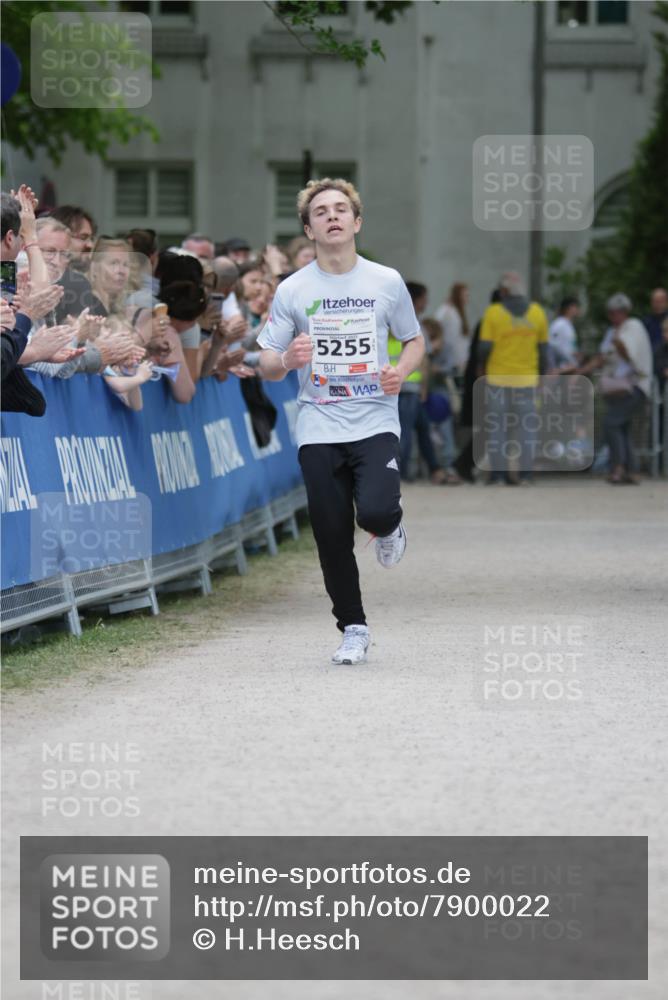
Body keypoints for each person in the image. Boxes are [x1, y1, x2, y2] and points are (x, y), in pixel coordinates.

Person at [257, 178, 424, 665]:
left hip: (374, 417)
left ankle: (390, 526)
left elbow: (413, 340)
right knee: (331, 533)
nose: (332, 216)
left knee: (372, 512)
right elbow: (265, 360)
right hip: (318, 423)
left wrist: (401, 372)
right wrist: (288, 358)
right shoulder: (294, 289)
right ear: (308, 228)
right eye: (321, 212)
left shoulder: (386, 281)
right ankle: (353, 627)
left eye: (340, 209)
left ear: (357, 221)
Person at [478, 271, 549, 485]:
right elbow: (544, 351)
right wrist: (541, 376)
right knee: (527, 430)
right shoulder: (538, 313)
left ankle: (499, 476)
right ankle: (525, 476)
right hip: (528, 381)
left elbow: (484, 348)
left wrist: (481, 367)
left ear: (504, 291)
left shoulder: (493, 313)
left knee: (497, 429)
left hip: (497, 380)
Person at [579, 293, 653, 484]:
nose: (614, 316)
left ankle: (619, 467)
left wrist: (619, 342)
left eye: (617, 312)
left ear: (625, 312)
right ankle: (631, 470)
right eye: (611, 313)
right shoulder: (612, 331)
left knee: (611, 423)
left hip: (635, 386)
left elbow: (629, 356)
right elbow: (603, 357)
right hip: (618, 388)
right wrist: (581, 371)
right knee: (622, 426)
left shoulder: (633, 327)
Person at [434, 281, 470, 375]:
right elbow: (436, 325)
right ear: (458, 296)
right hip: (451, 361)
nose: (467, 299)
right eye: (465, 295)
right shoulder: (447, 311)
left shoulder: (459, 313)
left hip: (460, 361)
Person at [548, 296, 580, 369]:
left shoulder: (568, 325)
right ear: (568, 308)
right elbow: (552, 344)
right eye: (575, 306)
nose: (577, 309)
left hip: (568, 365)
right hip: (560, 367)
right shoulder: (559, 324)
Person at [642, 287, 668, 356]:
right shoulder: (647, 321)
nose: (658, 304)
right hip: (651, 357)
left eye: (660, 301)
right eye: (655, 301)